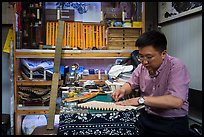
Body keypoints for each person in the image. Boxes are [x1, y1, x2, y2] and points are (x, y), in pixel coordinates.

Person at [111, 30, 190, 135]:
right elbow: (131, 83)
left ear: (163, 54)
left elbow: (176, 101)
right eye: (141, 56)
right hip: (148, 117)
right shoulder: (141, 67)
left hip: (171, 122)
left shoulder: (176, 67)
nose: (144, 61)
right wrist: (123, 90)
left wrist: (141, 100)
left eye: (149, 57)